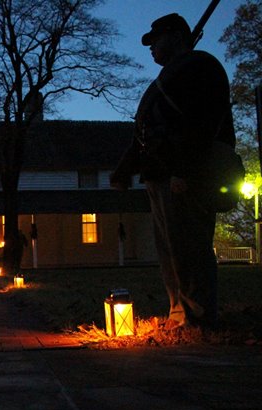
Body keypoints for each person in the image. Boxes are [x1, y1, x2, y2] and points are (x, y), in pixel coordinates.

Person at [110, 13, 235, 330]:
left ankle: (200, 319)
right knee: (170, 251)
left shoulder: (200, 67)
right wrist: (124, 170)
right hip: (160, 175)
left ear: (177, 36)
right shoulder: (168, 78)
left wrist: (185, 170)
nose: (151, 48)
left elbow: (203, 122)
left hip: (182, 178)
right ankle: (179, 314)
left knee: (189, 248)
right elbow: (145, 132)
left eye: (157, 39)